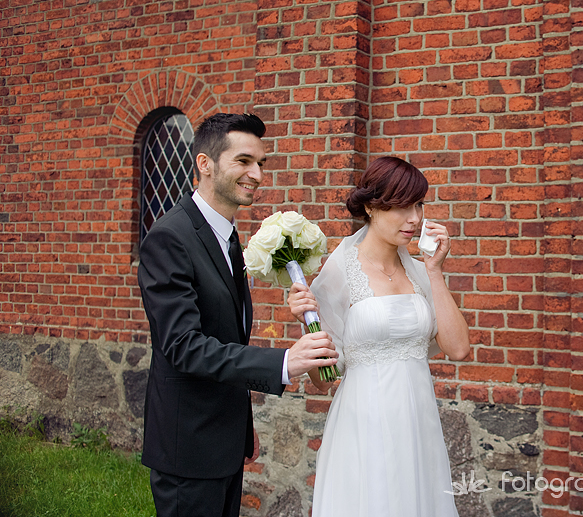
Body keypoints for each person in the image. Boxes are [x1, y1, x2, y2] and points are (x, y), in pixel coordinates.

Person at [138, 112, 338, 517]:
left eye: (260, 163)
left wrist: (239, 429)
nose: (257, 174)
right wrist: (284, 361)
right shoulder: (169, 238)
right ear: (205, 164)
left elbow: (226, 338)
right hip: (188, 447)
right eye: (244, 161)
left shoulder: (228, 238)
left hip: (222, 439)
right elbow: (184, 346)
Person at [289, 156, 470, 517]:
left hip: (418, 419)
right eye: (402, 206)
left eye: (419, 205)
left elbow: (459, 348)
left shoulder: (420, 270)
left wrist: (435, 272)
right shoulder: (340, 270)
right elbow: (324, 381)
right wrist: (307, 325)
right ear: (371, 206)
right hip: (364, 421)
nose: (415, 218)